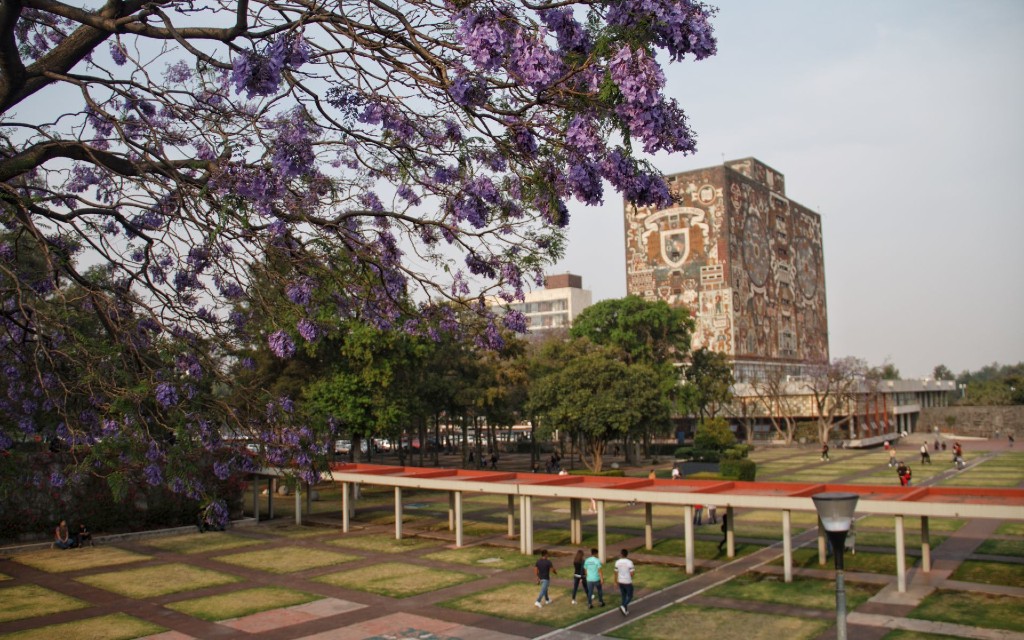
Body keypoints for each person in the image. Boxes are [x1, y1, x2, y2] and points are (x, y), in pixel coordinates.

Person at [614, 548, 635, 615]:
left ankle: (625, 610)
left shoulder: (617, 562)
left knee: (623, 596)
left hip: (620, 580)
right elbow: (632, 573)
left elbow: (615, 572)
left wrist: (615, 581)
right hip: (627, 581)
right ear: (627, 554)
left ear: (621, 554)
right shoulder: (629, 562)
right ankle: (623, 606)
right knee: (630, 595)